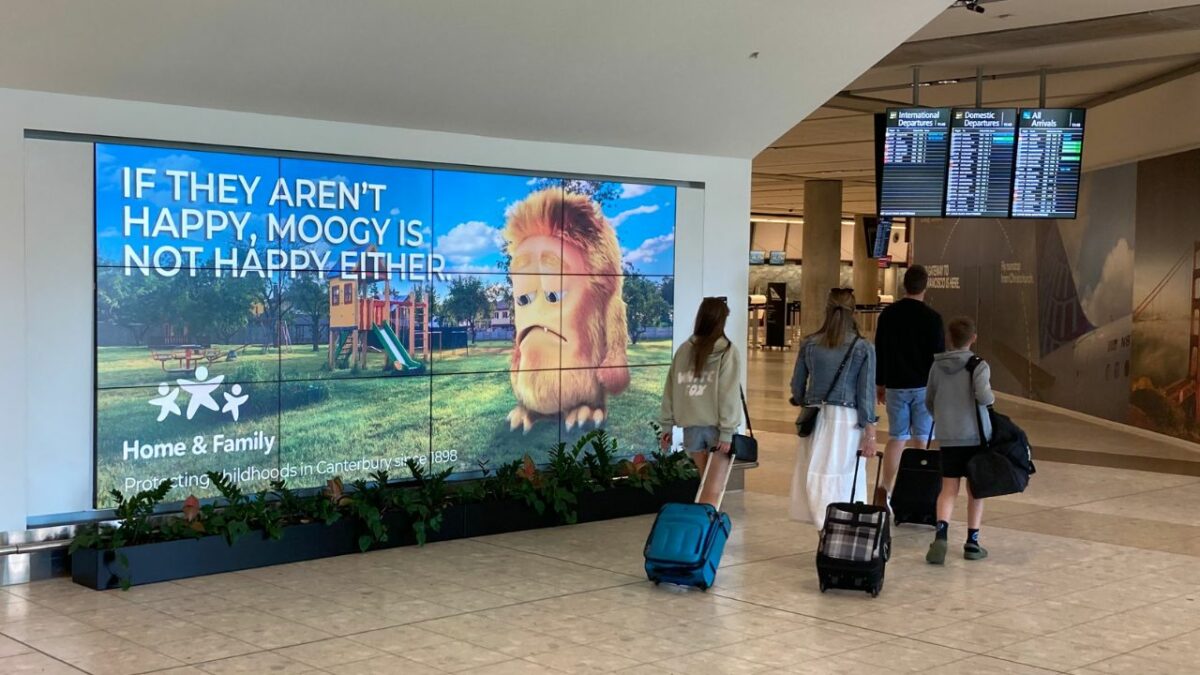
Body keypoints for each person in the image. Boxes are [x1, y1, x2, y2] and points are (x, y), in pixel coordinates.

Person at [788, 288, 878, 528]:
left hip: (815, 417)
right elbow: (866, 393)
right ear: (854, 311)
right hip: (846, 422)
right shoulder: (863, 347)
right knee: (845, 477)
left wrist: (803, 401)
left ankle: (822, 527)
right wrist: (870, 432)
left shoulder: (809, 343)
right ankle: (841, 528)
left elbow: (797, 386)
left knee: (815, 474)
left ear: (826, 309)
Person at [924, 316, 994, 564]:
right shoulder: (979, 365)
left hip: (948, 436)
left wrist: (943, 419)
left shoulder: (936, 366)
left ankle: (941, 535)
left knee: (948, 488)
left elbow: (929, 400)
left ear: (948, 339)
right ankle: (972, 542)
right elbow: (984, 397)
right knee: (976, 490)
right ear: (973, 339)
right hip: (975, 437)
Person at [660, 297, 742, 505]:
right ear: (722, 321)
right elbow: (728, 394)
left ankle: (703, 525)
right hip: (717, 428)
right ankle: (706, 528)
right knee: (713, 487)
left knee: (705, 482)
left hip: (691, 427)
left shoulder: (684, 350)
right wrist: (727, 431)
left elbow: (671, 388)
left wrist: (667, 425)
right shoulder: (727, 351)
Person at [874, 265, 945, 499]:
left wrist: (880, 383)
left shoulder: (888, 315)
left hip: (895, 385)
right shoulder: (933, 318)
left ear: (904, 284)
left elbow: (880, 350)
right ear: (925, 286)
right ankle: (919, 489)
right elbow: (938, 358)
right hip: (924, 387)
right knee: (921, 441)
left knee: (897, 437)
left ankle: (885, 487)